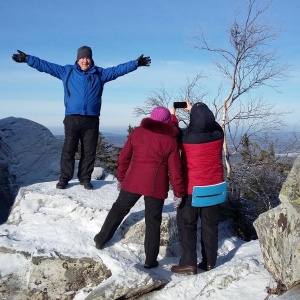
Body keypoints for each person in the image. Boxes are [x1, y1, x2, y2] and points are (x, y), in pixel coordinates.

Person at [12, 46, 151, 190]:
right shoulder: (67, 71)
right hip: (72, 118)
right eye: (82, 58)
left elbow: (117, 70)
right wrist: (28, 59)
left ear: (91, 59)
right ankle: (64, 179)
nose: (85, 61)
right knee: (69, 150)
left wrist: (135, 64)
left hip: (91, 119)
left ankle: (85, 179)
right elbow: (46, 66)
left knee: (89, 151)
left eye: (87, 58)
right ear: (78, 59)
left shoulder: (100, 74)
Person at [94, 106, 185, 269]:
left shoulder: (137, 133)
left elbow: (124, 157)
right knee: (153, 221)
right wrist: (179, 192)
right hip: (155, 186)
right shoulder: (170, 141)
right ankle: (150, 260)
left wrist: (121, 177)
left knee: (119, 209)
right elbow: (175, 171)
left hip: (133, 181)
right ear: (167, 122)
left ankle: (101, 239)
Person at [170, 100, 224, 275]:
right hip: (215, 188)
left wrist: (173, 115)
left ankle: (188, 263)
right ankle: (209, 262)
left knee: (187, 224)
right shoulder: (218, 133)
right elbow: (210, 122)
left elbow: (172, 131)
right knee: (210, 225)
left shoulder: (186, 138)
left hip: (192, 190)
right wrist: (195, 108)